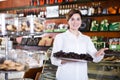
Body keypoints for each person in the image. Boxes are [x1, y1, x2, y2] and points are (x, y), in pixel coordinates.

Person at [50, 9, 108, 80]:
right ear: (68, 21)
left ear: (81, 21)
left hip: (82, 76)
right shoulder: (60, 37)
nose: (75, 22)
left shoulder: (86, 39)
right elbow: (53, 59)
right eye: (72, 19)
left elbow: (95, 58)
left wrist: (99, 54)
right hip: (65, 76)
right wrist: (67, 60)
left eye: (78, 19)